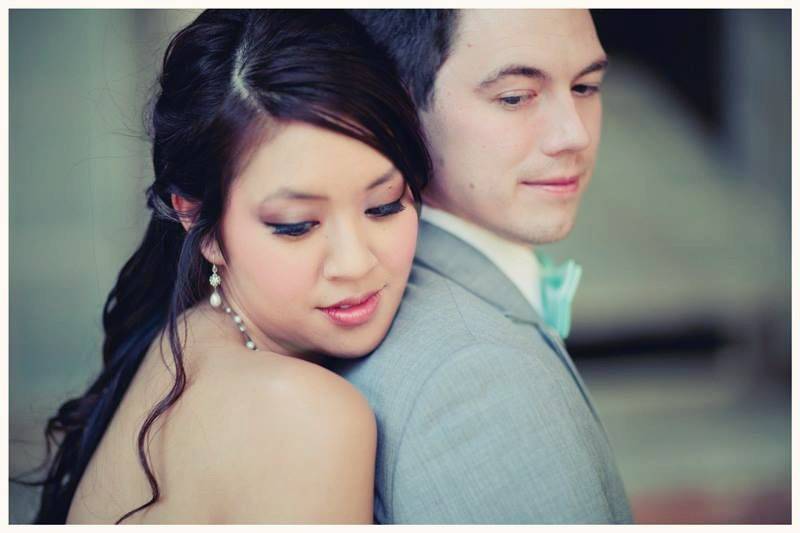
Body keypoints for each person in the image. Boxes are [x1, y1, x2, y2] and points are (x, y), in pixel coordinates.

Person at [30, 9, 430, 524]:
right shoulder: (302, 412)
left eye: (384, 205)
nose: (354, 263)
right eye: (295, 225)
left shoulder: (189, 336)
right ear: (200, 221)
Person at [329, 9, 633, 523]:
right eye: (515, 97)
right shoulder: (477, 374)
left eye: (585, 87)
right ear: (395, 104)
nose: (573, 135)